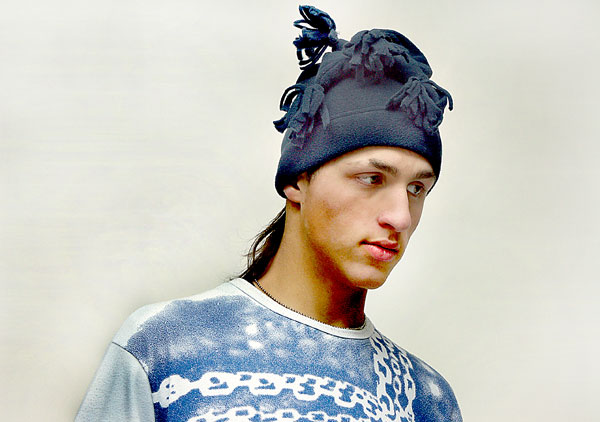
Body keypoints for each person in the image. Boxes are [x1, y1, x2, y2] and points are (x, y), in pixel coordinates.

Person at [76, 5, 461, 422]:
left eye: (417, 189)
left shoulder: (427, 400)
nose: (401, 217)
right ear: (298, 180)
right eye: (371, 178)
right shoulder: (164, 347)